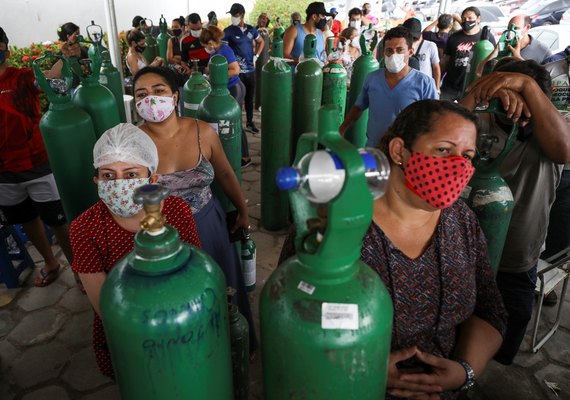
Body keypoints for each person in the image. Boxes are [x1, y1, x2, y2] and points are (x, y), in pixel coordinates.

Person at [280, 99, 507, 400]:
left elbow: (490, 309)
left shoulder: (460, 220)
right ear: (400, 151)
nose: (458, 167)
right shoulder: (334, 226)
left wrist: (464, 372)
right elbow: (290, 323)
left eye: (467, 156)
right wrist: (362, 368)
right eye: (443, 150)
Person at [132, 66, 257, 352]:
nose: (151, 100)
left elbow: (225, 174)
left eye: (158, 91)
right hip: (161, 235)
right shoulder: (133, 144)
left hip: (207, 224)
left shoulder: (202, 132)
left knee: (221, 288)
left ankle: (232, 349)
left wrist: (243, 210)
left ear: (175, 96)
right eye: (142, 94)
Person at [71, 123, 202, 378]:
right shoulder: (84, 228)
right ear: (96, 180)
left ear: (152, 179)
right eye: (108, 175)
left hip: (179, 318)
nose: (119, 184)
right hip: (125, 328)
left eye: (131, 175)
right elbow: (104, 304)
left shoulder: (177, 211)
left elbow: (193, 271)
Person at [462, 61, 570, 364]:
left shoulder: (553, 126)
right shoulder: (481, 121)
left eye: (528, 95)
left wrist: (527, 87)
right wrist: (480, 93)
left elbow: (564, 149)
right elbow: (438, 129)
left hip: (517, 258)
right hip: (466, 250)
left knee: (504, 338)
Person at [0, 27, 74, 288]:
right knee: (27, 220)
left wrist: (61, 59)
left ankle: (78, 270)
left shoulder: (21, 78)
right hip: (3, 173)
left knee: (58, 221)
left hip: (37, 164)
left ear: (6, 49)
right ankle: (50, 262)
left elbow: (51, 78)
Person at [340, 26, 438, 147]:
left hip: (405, 152)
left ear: (410, 52)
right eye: (389, 50)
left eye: (400, 50)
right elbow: (358, 107)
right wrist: (342, 128)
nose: (393, 55)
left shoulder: (425, 83)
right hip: (374, 148)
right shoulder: (372, 78)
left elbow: (434, 120)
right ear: (383, 52)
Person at [200, 26, 251, 168]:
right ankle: (232, 153)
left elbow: (235, 70)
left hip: (235, 88)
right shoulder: (216, 51)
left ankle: (245, 157)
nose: (206, 48)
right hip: (229, 89)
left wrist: (217, 75)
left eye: (205, 45)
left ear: (211, 43)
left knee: (235, 123)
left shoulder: (225, 51)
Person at [224, 3, 265, 135]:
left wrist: (257, 56)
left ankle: (249, 122)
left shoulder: (252, 30)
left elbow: (261, 42)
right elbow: (224, 50)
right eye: (231, 15)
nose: (232, 17)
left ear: (241, 15)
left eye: (234, 15)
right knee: (237, 99)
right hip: (237, 72)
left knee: (249, 97)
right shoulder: (228, 31)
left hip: (250, 69)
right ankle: (237, 124)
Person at [440, 7, 496, 101]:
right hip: (450, 86)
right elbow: (445, 60)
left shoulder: (487, 38)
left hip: (473, 87)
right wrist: (437, 80)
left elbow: (493, 60)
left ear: (478, 19)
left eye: (470, 18)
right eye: (464, 18)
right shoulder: (454, 37)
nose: (466, 21)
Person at [475, 14, 553, 78]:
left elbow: (544, 81)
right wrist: (496, 51)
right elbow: (479, 72)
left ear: (527, 28)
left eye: (516, 28)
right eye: (509, 28)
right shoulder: (504, 47)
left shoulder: (542, 51)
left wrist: (518, 57)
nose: (511, 32)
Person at [44, 22, 89, 88]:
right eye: (76, 35)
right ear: (68, 36)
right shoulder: (61, 55)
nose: (79, 37)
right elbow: (53, 77)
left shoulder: (84, 49)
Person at [403, 17, 441, 92]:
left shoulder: (430, 46)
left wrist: (437, 89)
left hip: (425, 87)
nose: (411, 39)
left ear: (420, 34)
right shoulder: (400, 46)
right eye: (409, 36)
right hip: (406, 86)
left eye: (414, 37)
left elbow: (436, 68)